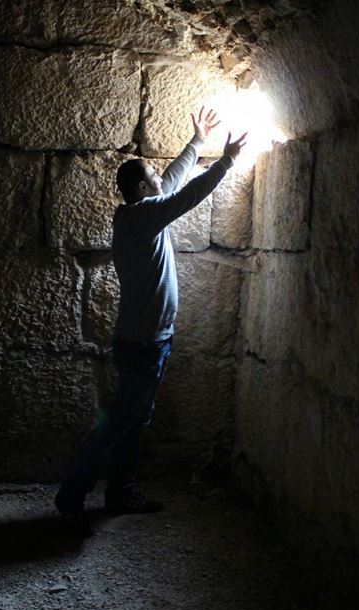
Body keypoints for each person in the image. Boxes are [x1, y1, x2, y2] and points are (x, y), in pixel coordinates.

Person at [55, 107, 247, 537]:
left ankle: (120, 492)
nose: (160, 174)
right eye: (152, 174)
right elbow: (184, 195)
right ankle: (72, 493)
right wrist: (226, 161)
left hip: (148, 343)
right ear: (143, 187)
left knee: (132, 422)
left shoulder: (139, 212)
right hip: (143, 346)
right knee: (118, 423)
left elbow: (173, 182)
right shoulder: (143, 217)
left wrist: (197, 142)